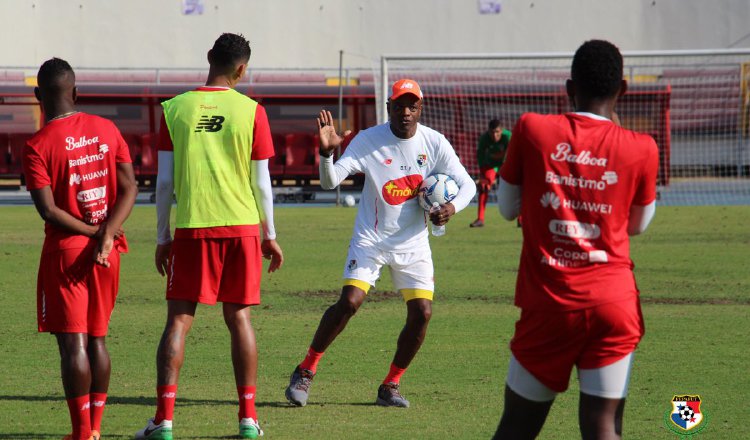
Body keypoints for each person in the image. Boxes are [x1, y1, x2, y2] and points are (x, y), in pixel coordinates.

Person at [492, 40, 658, 439]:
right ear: (623, 89)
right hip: (613, 304)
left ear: (569, 88)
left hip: (549, 302)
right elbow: (637, 225)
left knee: (515, 428)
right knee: (603, 427)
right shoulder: (643, 148)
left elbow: (506, 208)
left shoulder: (533, 129)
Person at [284, 79, 476, 408]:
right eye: (399, 105)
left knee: (422, 313)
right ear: (388, 108)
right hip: (371, 239)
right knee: (350, 302)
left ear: (420, 108)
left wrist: (450, 208)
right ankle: (306, 370)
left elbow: (467, 184)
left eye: (411, 105)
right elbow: (330, 183)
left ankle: (390, 386)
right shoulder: (368, 141)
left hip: (413, 244)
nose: (405, 112)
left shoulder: (435, 142)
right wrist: (326, 153)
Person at [135, 33, 283, 440]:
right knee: (239, 319)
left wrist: (164, 237)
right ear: (242, 69)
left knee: (179, 322)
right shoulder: (253, 111)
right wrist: (269, 235)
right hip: (241, 229)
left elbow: (163, 184)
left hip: (193, 229)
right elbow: (263, 186)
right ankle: (249, 420)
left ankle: (163, 421)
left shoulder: (174, 109)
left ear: (208, 59)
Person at [23, 58, 138, 440]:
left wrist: (92, 232)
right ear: (76, 92)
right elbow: (130, 188)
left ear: (39, 96)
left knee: (73, 345)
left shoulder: (37, 145)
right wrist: (107, 232)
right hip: (109, 251)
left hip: (68, 252)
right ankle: (96, 430)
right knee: (98, 339)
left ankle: (80, 432)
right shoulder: (106, 129)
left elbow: (49, 210)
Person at [470, 119, 510, 228]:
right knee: (483, 186)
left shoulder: (508, 137)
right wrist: (484, 176)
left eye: (497, 132)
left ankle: (521, 219)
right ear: (488, 131)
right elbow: (480, 157)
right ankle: (480, 219)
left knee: (519, 186)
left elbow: (514, 153)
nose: (494, 135)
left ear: (501, 131)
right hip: (490, 165)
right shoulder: (484, 139)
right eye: (492, 132)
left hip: (507, 164)